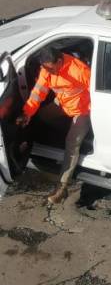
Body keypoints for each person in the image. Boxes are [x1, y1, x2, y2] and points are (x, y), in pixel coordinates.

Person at [16, 46, 92, 205]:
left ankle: (62, 188)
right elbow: (38, 93)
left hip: (83, 110)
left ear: (59, 61)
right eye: (45, 68)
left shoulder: (80, 70)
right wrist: (27, 113)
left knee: (72, 143)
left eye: (50, 68)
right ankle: (65, 131)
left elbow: (98, 95)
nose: (47, 72)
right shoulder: (47, 68)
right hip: (63, 103)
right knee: (42, 115)